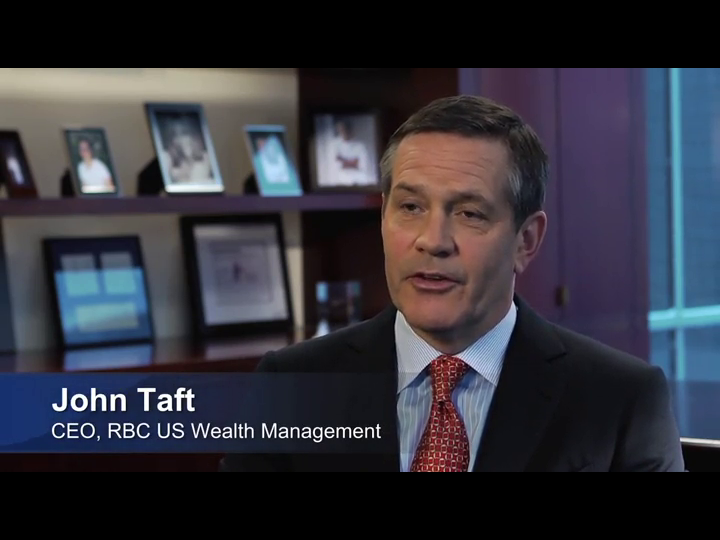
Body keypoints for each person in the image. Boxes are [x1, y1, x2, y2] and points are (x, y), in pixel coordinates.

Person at [220, 95, 685, 472]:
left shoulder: (620, 400)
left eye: (469, 213)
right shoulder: (292, 384)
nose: (433, 241)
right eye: (410, 207)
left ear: (526, 240)